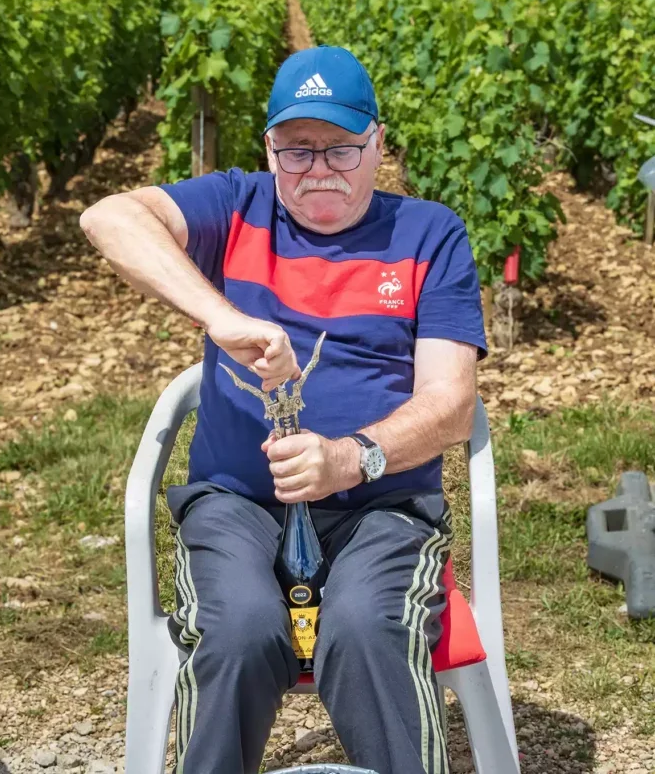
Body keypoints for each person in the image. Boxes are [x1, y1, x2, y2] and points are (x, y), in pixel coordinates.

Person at [79, 45, 487, 774]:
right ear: (268, 150)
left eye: (340, 149)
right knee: (237, 632)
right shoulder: (237, 207)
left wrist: (348, 457)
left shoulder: (429, 234)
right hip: (234, 504)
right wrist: (219, 316)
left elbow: (451, 404)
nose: (319, 170)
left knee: (367, 629)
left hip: (383, 506)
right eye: (296, 152)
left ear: (378, 144)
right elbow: (107, 217)